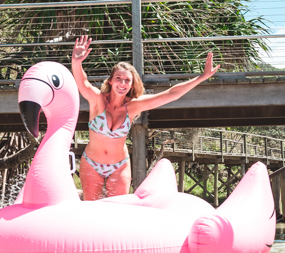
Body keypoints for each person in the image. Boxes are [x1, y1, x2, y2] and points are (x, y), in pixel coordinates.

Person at [71, 35, 219, 200]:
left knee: (119, 209)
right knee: (92, 208)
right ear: (111, 81)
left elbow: (171, 94)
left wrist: (202, 77)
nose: (122, 83)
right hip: (91, 164)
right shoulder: (97, 101)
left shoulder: (134, 106)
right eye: (118, 78)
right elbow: (83, 83)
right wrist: (76, 62)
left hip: (119, 166)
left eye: (127, 80)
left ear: (131, 85)